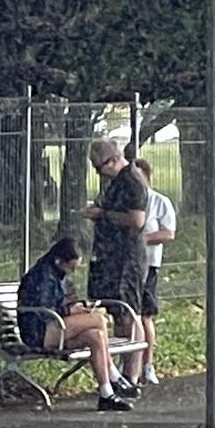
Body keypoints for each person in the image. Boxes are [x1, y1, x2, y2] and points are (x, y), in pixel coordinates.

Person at [18, 238, 132, 411]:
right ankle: (114, 375)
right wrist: (73, 310)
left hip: (54, 327)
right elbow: (45, 309)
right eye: (71, 267)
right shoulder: (42, 276)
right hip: (38, 331)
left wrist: (78, 308)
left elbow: (61, 304)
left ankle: (106, 393)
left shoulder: (56, 273)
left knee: (96, 336)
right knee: (99, 320)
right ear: (59, 260)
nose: (71, 272)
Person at [85, 138, 147, 388]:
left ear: (112, 161)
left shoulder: (131, 181)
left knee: (130, 312)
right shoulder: (114, 183)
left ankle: (132, 373)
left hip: (127, 257)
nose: (98, 173)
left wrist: (104, 215)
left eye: (99, 168)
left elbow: (137, 219)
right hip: (110, 255)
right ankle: (122, 371)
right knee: (118, 311)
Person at [134, 158, 177, 385]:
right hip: (127, 267)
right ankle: (128, 363)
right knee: (127, 315)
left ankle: (147, 364)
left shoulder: (160, 202)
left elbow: (168, 233)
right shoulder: (126, 202)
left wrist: (142, 239)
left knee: (145, 315)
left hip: (148, 264)